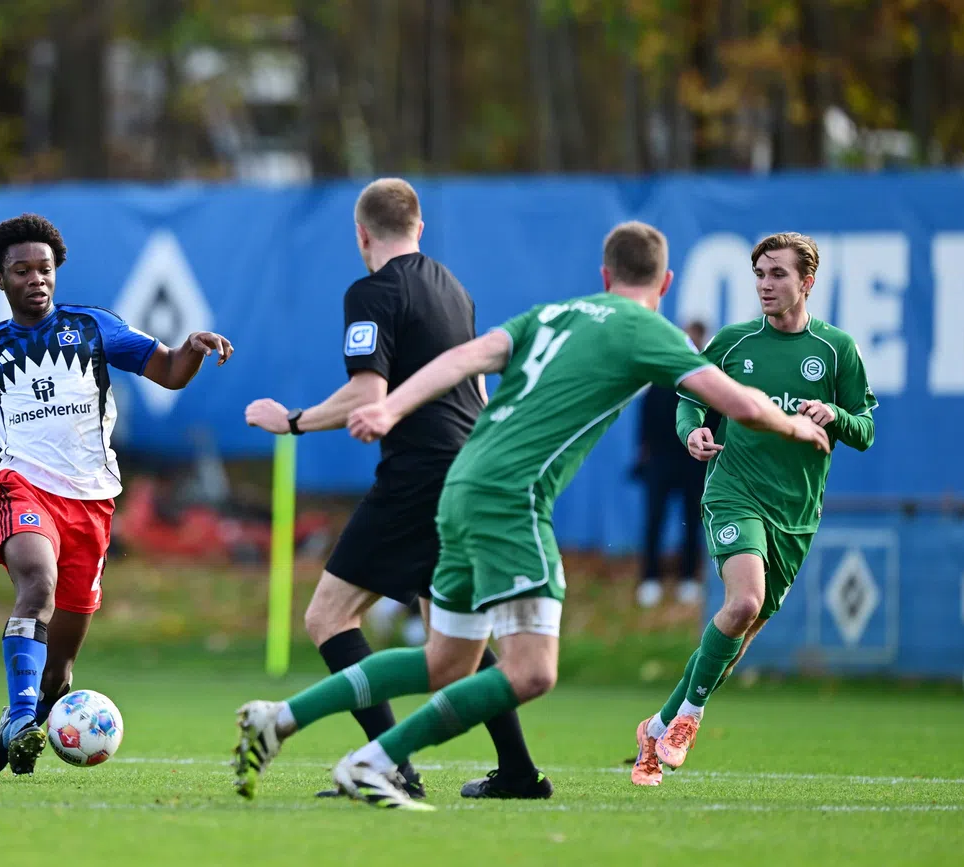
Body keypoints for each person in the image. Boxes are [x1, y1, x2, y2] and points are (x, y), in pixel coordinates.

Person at [230, 221, 831, 810]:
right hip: (511, 498)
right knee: (533, 671)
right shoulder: (645, 330)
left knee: (447, 660)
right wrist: (796, 425)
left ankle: (277, 720)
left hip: (459, 486)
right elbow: (740, 404)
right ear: (665, 281)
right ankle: (374, 762)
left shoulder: (553, 315)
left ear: (604, 275)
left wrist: (391, 408)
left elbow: (464, 358)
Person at [242, 178, 548, 800]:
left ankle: (389, 765)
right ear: (420, 227)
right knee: (452, 645)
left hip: (418, 476)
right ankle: (516, 773)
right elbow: (477, 386)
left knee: (329, 615)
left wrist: (292, 421)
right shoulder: (452, 287)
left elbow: (367, 394)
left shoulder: (372, 291)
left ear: (361, 234)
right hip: (465, 471)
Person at [0, 213, 233, 776]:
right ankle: (17, 717)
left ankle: (2, 748)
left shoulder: (93, 328)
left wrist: (192, 348)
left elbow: (170, 372)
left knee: (58, 674)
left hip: (92, 501)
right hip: (23, 483)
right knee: (37, 581)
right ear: (0, 279)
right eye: (21, 270)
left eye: (45, 268)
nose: (36, 279)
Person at [631, 233, 875, 786]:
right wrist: (692, 430)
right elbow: (690, 395)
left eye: (778, 275)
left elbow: (866, 429)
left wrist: (835, 416)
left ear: (807, 282)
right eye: (760, 275)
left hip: (796, 514)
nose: (765, 285)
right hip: (734, 491)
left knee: (739, 636)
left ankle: (659, 725)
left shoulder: (836, 350)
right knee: (743, 602)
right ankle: (689, 718)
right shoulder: (733, 343)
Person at [634, 321, 712, 608]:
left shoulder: (706, 378)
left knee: (692, 522)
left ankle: (689, 579)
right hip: (660, 463)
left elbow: (713, 418)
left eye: (696, 338)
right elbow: (645, 417)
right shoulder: (661, 374)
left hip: (693, 464)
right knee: (654, 521)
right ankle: (649, 579)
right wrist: (645, 455)